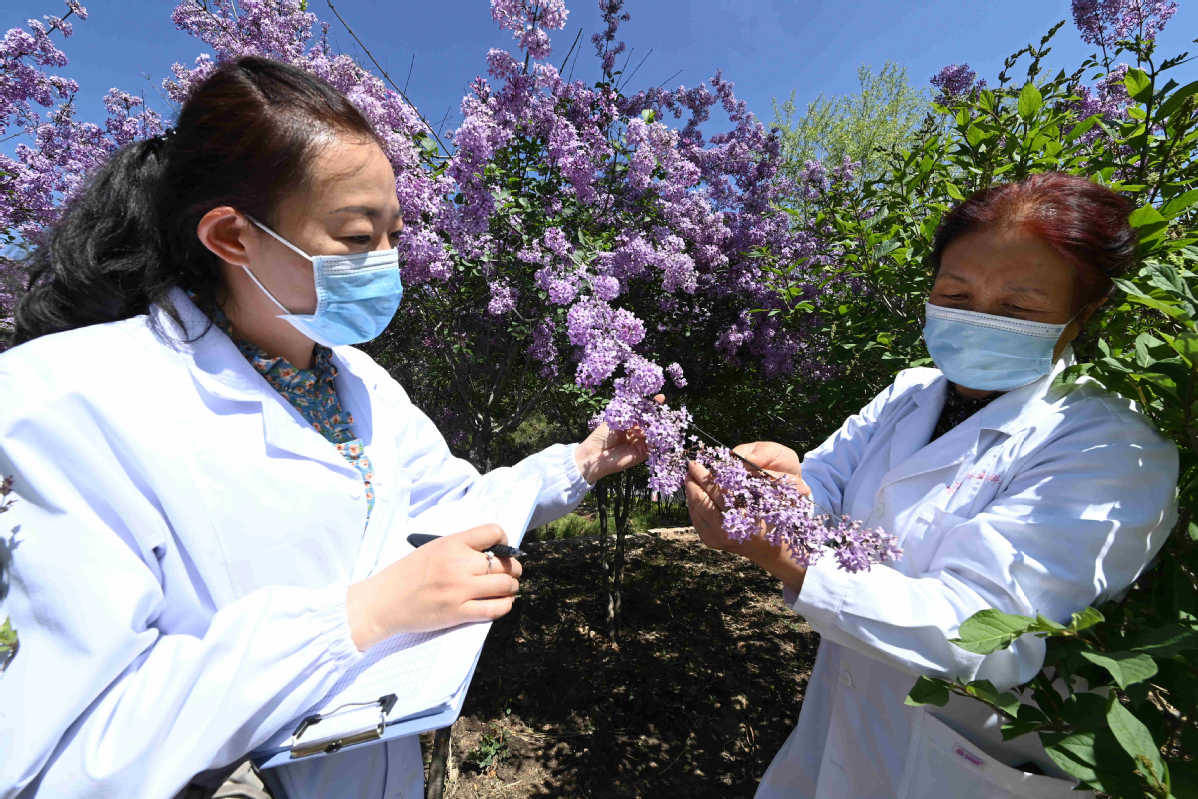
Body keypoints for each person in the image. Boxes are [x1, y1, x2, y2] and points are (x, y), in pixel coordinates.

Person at [0, 57, 646, 798]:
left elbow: (445, 504)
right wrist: (358, 617)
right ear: (232, 237)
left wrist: (582, 461)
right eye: (356, 236)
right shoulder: (61, 404)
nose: (388, 263)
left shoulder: (357, 381)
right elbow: (59, 754)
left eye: (395, 234)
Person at [684, 172, 1178, 798]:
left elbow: (988, 634)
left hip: (968, 763)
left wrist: (786, 555)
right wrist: (787, 488)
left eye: (1018, 308)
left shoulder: (1114, 449)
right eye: (956, 294)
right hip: (838, 732)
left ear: (1081, 316)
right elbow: (825, 487)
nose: (978, 321)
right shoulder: (907, 395)